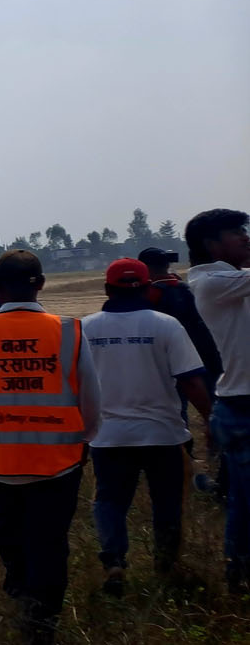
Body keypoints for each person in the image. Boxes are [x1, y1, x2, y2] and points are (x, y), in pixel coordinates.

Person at [0, 250, 100, 644]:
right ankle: (43, 620)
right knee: (50, 540)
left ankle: (20, 589)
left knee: (7, 528)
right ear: (42, 284)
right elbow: (91, 397)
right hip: (60, 459)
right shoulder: (70, 331)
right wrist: (87, 440)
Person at [81, 258, 214, 595]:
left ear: (107, 289)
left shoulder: (85, 329)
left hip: (108, 436)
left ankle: (114, 562)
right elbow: (192, 383)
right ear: (149, 288)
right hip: (163, 434)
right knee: (167, 502)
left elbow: (72, 385)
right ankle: (166, 565)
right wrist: (211, 420)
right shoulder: (166, 325)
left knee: (110, 501)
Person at [185, 207, 250, 594]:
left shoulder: (235, 279)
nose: (244, 237)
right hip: (243, 406)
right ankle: (237, 573)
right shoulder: (210, 282)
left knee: (242, 503)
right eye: (234, 233)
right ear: (211, 245)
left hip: (237, 401)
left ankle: (237, 574)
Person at [139, 246, 227, 499]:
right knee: (213, 412)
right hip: (206, 360)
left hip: (170, 365)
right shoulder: (185, 288)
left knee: (177, 417)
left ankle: (183, 462)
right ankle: (219, 459)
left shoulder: (151, 294)